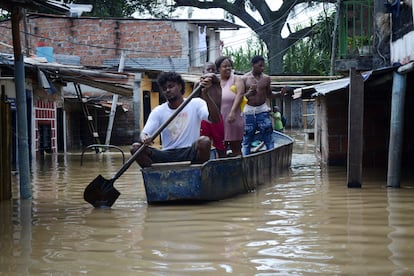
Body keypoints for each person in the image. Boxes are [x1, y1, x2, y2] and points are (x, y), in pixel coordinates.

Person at [131, 71, 220, 167]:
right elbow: (144, 133)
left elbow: (215, 119)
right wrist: (145, 138)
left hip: (189, 152)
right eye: (164, 89)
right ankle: (158, 175)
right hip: (167, 154)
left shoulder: (196, 103)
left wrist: (206, 94)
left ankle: (198, 172)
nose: (168, 90)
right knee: (135, 148)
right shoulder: (158, 111)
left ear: (180, 86)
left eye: (171, 86)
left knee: (205, 141)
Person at [241, 55, 284, 156]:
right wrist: (249, 93)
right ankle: (245, 162)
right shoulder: (244, 79)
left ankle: (271, 160)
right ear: (253, 65)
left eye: (263, 66)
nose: (262, 68)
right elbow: (240, 97)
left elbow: (269, 94)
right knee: (247, 140)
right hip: (249, 112)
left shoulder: (266, 78)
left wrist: (279, 94)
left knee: (268, 138)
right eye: (260, 66)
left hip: (262, 111)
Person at [194, 62, 226, 158]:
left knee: (221, 144)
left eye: (213, 70)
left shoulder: (217, 83)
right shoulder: (199, 84)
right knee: (204, 142)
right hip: (204, 119)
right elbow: (193, 100)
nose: (211, 72)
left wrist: (210, 75)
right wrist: (199, 85)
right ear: (203, 72)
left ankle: (223, 163)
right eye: (208, 70)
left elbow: (213, 77)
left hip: (216, 117)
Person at [215, 56, 245, 156]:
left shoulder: (236, 79)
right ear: (218, 68)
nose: (228, 68)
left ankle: (240, 168)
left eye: (229, 66)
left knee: (236, 147)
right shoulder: (216, 81)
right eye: (224, 66)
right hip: (219, 119)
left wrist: (232, 112)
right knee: (220, 148)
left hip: (233, 118)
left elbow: (240, 94)